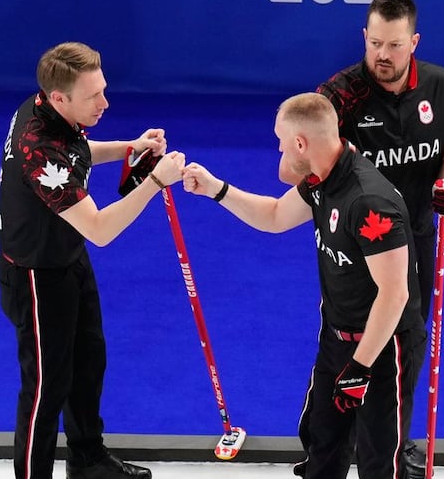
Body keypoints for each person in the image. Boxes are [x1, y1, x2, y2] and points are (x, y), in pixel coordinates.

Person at [182, 93, 426, 479]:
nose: (278, 149)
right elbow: (276, 215)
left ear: (300, 143)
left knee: (380, 461)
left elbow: (395, 293)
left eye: (282, 141)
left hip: (383, 349)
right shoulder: (322, 179)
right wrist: (217, 189)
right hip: (336, 337)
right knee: (321, 439)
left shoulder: (368, 202)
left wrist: (360, 368)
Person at [0, 42, 185, 479]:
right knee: (46, 388)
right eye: (94, 96)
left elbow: (78, 152)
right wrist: (155, 180)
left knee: (88, 362)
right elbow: (100, 230)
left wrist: (129, 148)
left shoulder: (49, 106)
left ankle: (87, 460)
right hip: (35, 276)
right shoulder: (38, 147)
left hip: (66, 256)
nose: (106, 102)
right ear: (61, 98)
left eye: (103, 90)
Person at [311, 0, 444, 478]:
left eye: (394, 45)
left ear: (413, 43)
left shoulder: (440, 86)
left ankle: (390, 445)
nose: (383, 54)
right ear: (365, 37)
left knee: (405, 346)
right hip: (354, 247)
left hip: (415, 239)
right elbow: (301, 163)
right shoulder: (340, 95)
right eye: (375, 42)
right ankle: (329, 453)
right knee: (348, 346)